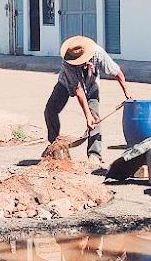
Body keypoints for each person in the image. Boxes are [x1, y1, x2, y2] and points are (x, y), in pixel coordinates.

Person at [45, 36, 132, 165]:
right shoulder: (67, 61)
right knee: (50, 110)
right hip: (66, 83)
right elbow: (78, 90)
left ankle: (94, 154)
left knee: (94, 117)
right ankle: (55, 147)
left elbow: (116, 71)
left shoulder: (98, 53)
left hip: (91, 84)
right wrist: (87, 116)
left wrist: (126, 91)